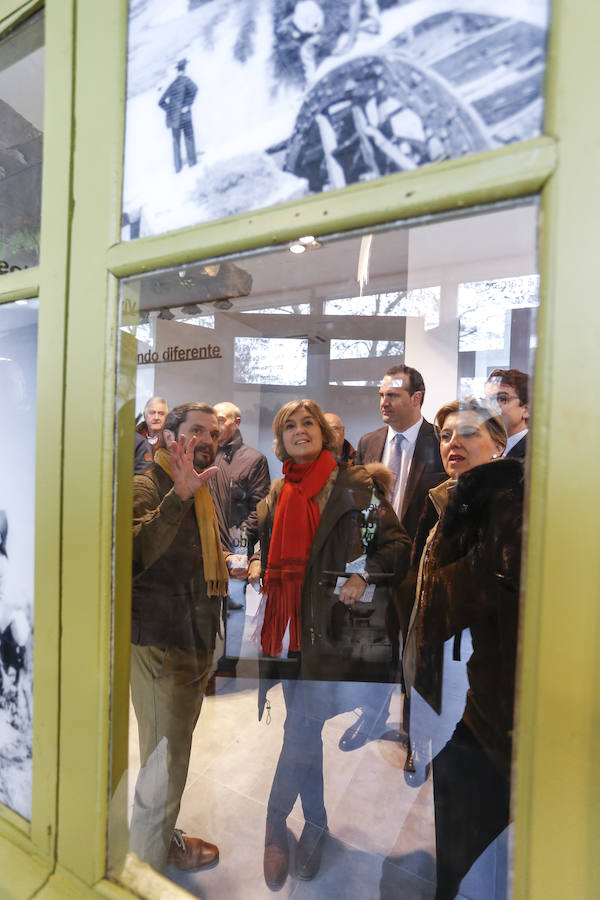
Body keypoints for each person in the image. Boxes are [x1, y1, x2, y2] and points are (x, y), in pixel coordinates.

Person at [248, 399, 410, 890]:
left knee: (300, 730)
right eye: (289, 426)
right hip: (289, 635)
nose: (300, 431)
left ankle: (277, 824)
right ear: (281, 441)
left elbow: (396, 546)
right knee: (303, 731)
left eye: (308, 423)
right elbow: (266, 541)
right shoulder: (277, 492)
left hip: (332, 637)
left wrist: (365, 574)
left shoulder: (357, 487)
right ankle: (314, 824)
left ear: (324, 433)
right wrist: (258, 562)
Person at [402, 398, 524, 900]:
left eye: (469, 433)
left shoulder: (506, 505)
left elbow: (449, 606)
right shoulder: (466, 501)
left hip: (517, 707)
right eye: (447, 435)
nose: (454, 442)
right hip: (491, 692)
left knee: (460, 783)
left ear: (498, 444)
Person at [129, 402, 245, 873]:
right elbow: (133, 553)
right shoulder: (147, 485)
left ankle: (159, 840)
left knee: (172, 754)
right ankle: (145, 870)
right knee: (164, 765)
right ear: (169, 435)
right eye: (196, 430)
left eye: (214, 433)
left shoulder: (201, 486)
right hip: (160, 644)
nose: (207, 440)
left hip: (191, 640)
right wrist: (176, 497)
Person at [210, 401, 270, 680]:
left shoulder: (254, 460)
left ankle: (227, 664)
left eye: (221, 419)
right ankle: (204, 660)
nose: (216, 424)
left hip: (236, 549)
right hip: (205, 548)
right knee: (204, 608)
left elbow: (259, 511)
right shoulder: (204, 456)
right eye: (213, 419)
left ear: (237, 421)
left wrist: (243, 552)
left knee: (233, 609)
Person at [158, 59, 198, 174]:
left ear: (177, 70)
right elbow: (195, 89)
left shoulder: (173, 83)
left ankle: (178, 168)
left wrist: (170, 110)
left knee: (176, 142)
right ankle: (192, 164)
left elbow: (160, 102)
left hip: (174, 119)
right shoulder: (186, 80)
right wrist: (187, 105)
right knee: (189, 138)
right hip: (185, 116)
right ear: (184, 69)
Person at [486, 368, 529, 460]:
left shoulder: (533, 453)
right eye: (488, 400)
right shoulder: (485, 449)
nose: (492, 406)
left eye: (502, 399)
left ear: (526, 410)